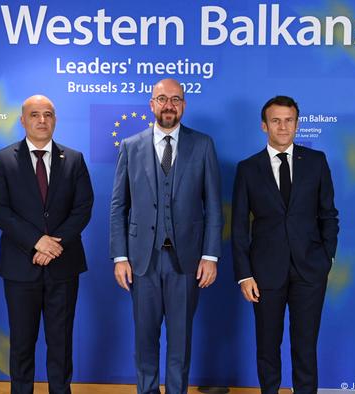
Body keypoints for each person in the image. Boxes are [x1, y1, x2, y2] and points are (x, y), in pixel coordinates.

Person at [110, 78, 222, 394]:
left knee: (180, 341)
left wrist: (210, 255)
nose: (169, 105)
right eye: (162, 99)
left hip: (186, 262)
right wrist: (120, 256)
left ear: (183, 105)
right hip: (141, 260)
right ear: (152, 105)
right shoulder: (130, 146)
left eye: (175, 99)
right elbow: (118, 206)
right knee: (144, 339)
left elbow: (213, 205)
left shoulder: (203, 145)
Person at [0, 95, 93, 394]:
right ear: (23, 120)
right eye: (35, 114)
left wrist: (53, 244)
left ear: (55, 120)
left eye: (48, 114)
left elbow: (83, 207)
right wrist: (37, 242)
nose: (41, 120)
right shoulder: (3, 159)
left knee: (61, 340)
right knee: (21, 342)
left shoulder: (74, 159)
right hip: (20, 266)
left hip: (63, 265)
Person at [231, 96, 339, 394]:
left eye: (288, 120)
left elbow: (328, 214)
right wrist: (244, 274)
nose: (283, 126)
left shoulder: (316, 162)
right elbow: (239, 226)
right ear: (264, 125)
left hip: (309, 271)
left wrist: (326, 258)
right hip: (264, 273)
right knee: (267, 346)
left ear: (297, 123)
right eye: (276, 120)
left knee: (305, 347)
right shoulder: (248, 168)